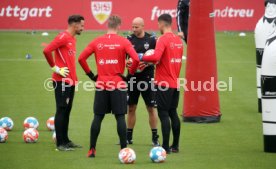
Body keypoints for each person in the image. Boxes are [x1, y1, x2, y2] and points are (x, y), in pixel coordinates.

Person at [78, 15, 140, 158]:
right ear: (118, 26)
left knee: (98, 117)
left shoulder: (97, 41)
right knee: (120, 117)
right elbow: (136, 59)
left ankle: (92, 149)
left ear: (108, 25)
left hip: (101, 84)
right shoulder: (123, 41)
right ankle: (124, 150)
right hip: (118, 84)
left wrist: (91, 76)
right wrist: (129, 75)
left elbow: (81, 58)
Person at [139, 14, 183, 154]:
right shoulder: (178, 40)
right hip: (175, 83)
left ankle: (164, 147)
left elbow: (156, 57)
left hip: (163, 83)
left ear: (162, 24)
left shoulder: (163, 39)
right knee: (173, 113)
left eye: (158, 25)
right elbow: (165, 59)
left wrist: (142, 56)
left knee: (163, 114)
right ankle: (175, 146)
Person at [43, 15, 84, 151]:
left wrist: (75, 80)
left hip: (70, 81)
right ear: (74, 24)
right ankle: (60, 144)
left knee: (67, 111)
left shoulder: (73, 39)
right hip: (61, 81)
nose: (83, 28)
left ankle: (66, 140)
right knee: (61, 109)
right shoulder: (63, 37)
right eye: (81, 26)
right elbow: (47, 50)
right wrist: (55, 68)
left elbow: (70, 62)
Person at [125, 17, 159, 146]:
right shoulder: (128, 40)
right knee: (131, 108)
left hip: (147, 79)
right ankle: (129, 137)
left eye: (136, 27)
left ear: (143, 26)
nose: (134, 29)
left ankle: (155, 137)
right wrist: (126, 63)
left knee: (151, 108)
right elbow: (122, 58)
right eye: (132, 26)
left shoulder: (151, 40)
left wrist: (147, 63)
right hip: (132, 79)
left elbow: (158, 58)